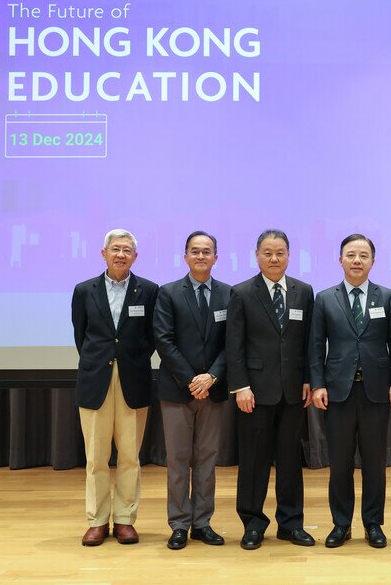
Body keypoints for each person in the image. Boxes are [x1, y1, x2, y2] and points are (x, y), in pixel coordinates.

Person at [310, 234, 391, 549]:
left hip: (377, 391)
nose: (356, 260)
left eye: (363, 255)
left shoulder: (388, 297)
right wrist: (319, 383)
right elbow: (315, 347)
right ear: (340, 260)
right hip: (338, 392)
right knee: (339, 465)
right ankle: (341, 524)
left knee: (375, 464)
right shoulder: (324, 299)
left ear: (373, 261)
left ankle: (373, 524)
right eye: (350, 254)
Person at [225, 229, 315, 550]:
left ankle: (291, 524)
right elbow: (233, 346)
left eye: (280, 253)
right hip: (255, 393)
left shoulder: (304, 291)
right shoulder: (242, 293)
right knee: (254, 461)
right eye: (267, 252)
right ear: (257, 255)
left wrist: (308, 380)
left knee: (290, 461)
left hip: (292, 392)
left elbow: (309, 344)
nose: (274, 258)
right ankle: (252, 523)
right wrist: (240, 386)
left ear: (289, 256)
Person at [71, 228, 158, 546]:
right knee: (95, 457)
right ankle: (96, 520)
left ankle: (124, 519)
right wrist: (103, 361)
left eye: (127, 250)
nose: (121, 254)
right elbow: (81, 335)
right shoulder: (84, 290)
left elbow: (151, 337)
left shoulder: (149, 290)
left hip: (133, 382)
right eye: (115, 249)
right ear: (103, 253)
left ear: (136, 256)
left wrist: (129, 361)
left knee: (130, 457)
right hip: (96, 381)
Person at [153, 231, 229, 550]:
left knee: (208, 460)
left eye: (206, 251)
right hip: (177, 390)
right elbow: (164, 340)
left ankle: (202, 523)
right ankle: (179, 524)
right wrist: (191, 379)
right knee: (178, 460)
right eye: (194, 251)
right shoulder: (168, 293)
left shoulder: (229, 294)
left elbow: (233, 344)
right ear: (185, 257)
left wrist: (210, 376)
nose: (200, 256)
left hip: (213, 390)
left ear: (216, 257)